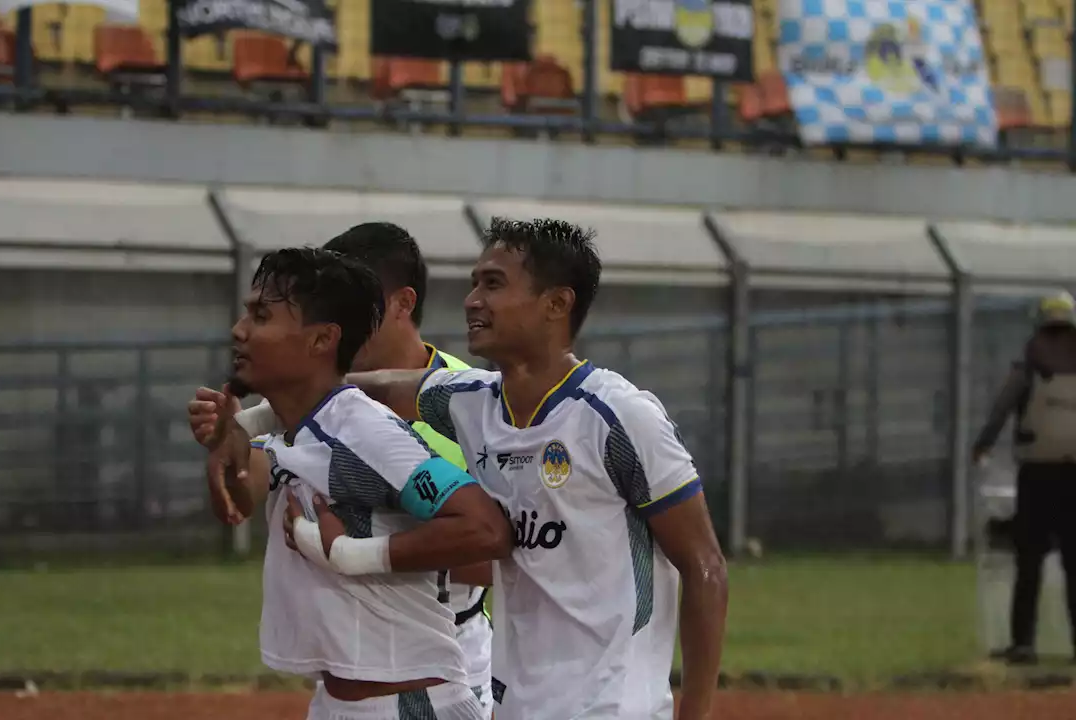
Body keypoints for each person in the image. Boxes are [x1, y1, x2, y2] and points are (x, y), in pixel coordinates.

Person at [218, 218, 729, 720]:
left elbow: (705, 566)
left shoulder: (619, 416)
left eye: (493, 284)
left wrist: (697, 713)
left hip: (613, 705)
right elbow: (364, 389)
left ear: (556, 303)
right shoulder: (473, 401)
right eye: (473, 283)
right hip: (516, 703)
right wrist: (245, 421)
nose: (472, 300)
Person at [190, 223, 496, 717]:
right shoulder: (310, 412)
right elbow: (244, 494)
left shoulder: (462, 403)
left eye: (263, 314)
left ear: (401, 303)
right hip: (345, 686)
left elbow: (493, 540)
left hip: (431, 671)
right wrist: (232, 434)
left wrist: (346, 550)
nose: (240, 329)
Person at [974, 290, 1076, 665]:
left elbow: (1003, 406)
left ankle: (1024, 643)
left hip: (1038, 473)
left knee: (1029, 558)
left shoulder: (1030, 361)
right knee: (1074, 561)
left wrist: (982, 445)